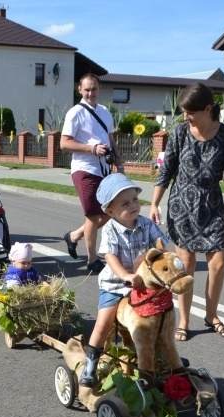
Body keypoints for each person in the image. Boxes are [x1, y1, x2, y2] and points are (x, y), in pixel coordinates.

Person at [149, 83, 224, 343]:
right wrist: (154, 203)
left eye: (190, 112)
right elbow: (166, 170)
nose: (186, 117)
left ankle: (211, 315)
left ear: (207, 109)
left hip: (212, 205)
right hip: (182, 204)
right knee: (187, 265)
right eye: (184, 112)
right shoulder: (181, 132)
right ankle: (183, 320)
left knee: (218, 263)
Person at [78, 174, 168, 387]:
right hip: (116, 284)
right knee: (103, 323)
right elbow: (110, 257)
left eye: (135, 199)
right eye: (125, 203)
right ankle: (91, 362)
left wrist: (162, 261)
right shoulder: (110, 229)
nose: (133, 205)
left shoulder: (146, 224)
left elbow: (160, 245)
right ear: (110, 212)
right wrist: (126, 276)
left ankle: (163, 356)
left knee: (161, 317)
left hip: (143, 283)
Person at [60, 73, 124, 273]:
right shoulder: (75, 112)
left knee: (108, 212)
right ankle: (92, 258)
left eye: (94, 89)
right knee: (92, 214)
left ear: (100, 89)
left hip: (103, 169)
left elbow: (111, 140)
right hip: (84, 169)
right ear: (80, 90)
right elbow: (64, 143)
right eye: (86, 89)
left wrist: (120, 163)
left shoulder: (105, 112)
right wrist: (92, 148)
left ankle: (73, 236)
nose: (90, 93)